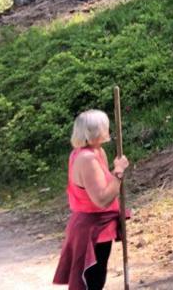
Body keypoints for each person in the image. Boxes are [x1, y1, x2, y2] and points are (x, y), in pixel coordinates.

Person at [54, 110, 129, 290]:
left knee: (97, 278)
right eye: (105, 126)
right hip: (91, 230)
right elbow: (102, 199)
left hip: (100, 226)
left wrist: (115, 173)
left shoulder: (96, 152)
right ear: (94, 131)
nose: (108, 129)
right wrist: (118, 172)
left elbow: (104, 186)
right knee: (92, 283)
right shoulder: (87, 159)